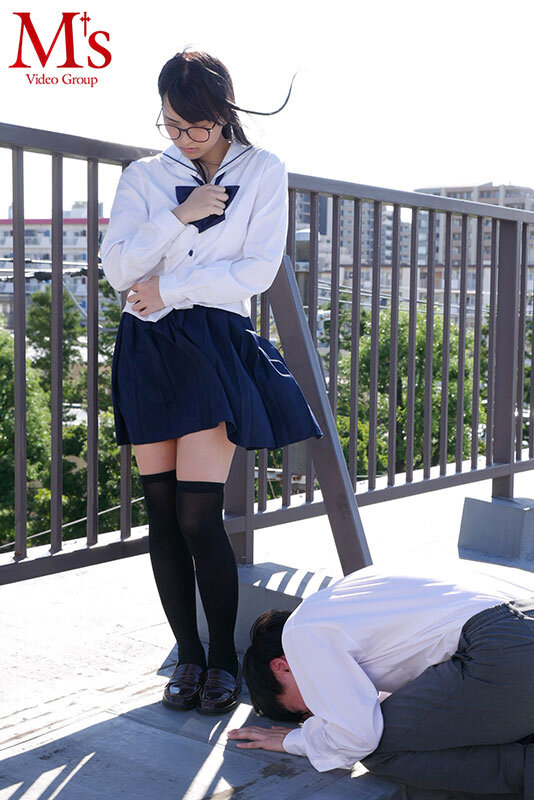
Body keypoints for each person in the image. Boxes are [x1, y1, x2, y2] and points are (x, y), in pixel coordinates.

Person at [100, 47, 323, 717]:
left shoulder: (262, 169)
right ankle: (188, 658)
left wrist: (170, 286)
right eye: (172, 124)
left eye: (196, 124)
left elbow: (256, 270)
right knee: (162, 515)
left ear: (224, 112)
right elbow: (117, 267)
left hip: (212, 344)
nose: (184, 136)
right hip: (147, 346)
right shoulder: (144, 175)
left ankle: (222, 657)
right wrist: (179, 214)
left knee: (200, 514)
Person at [229, 561, 534, 797]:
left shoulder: (300, 633)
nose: (316, 715)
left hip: (503, 647)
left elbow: (359, 738)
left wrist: (301, 740)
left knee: (378, 749)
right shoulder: (348, 595)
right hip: (519, 619)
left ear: (281, 667)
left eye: (304, 710)